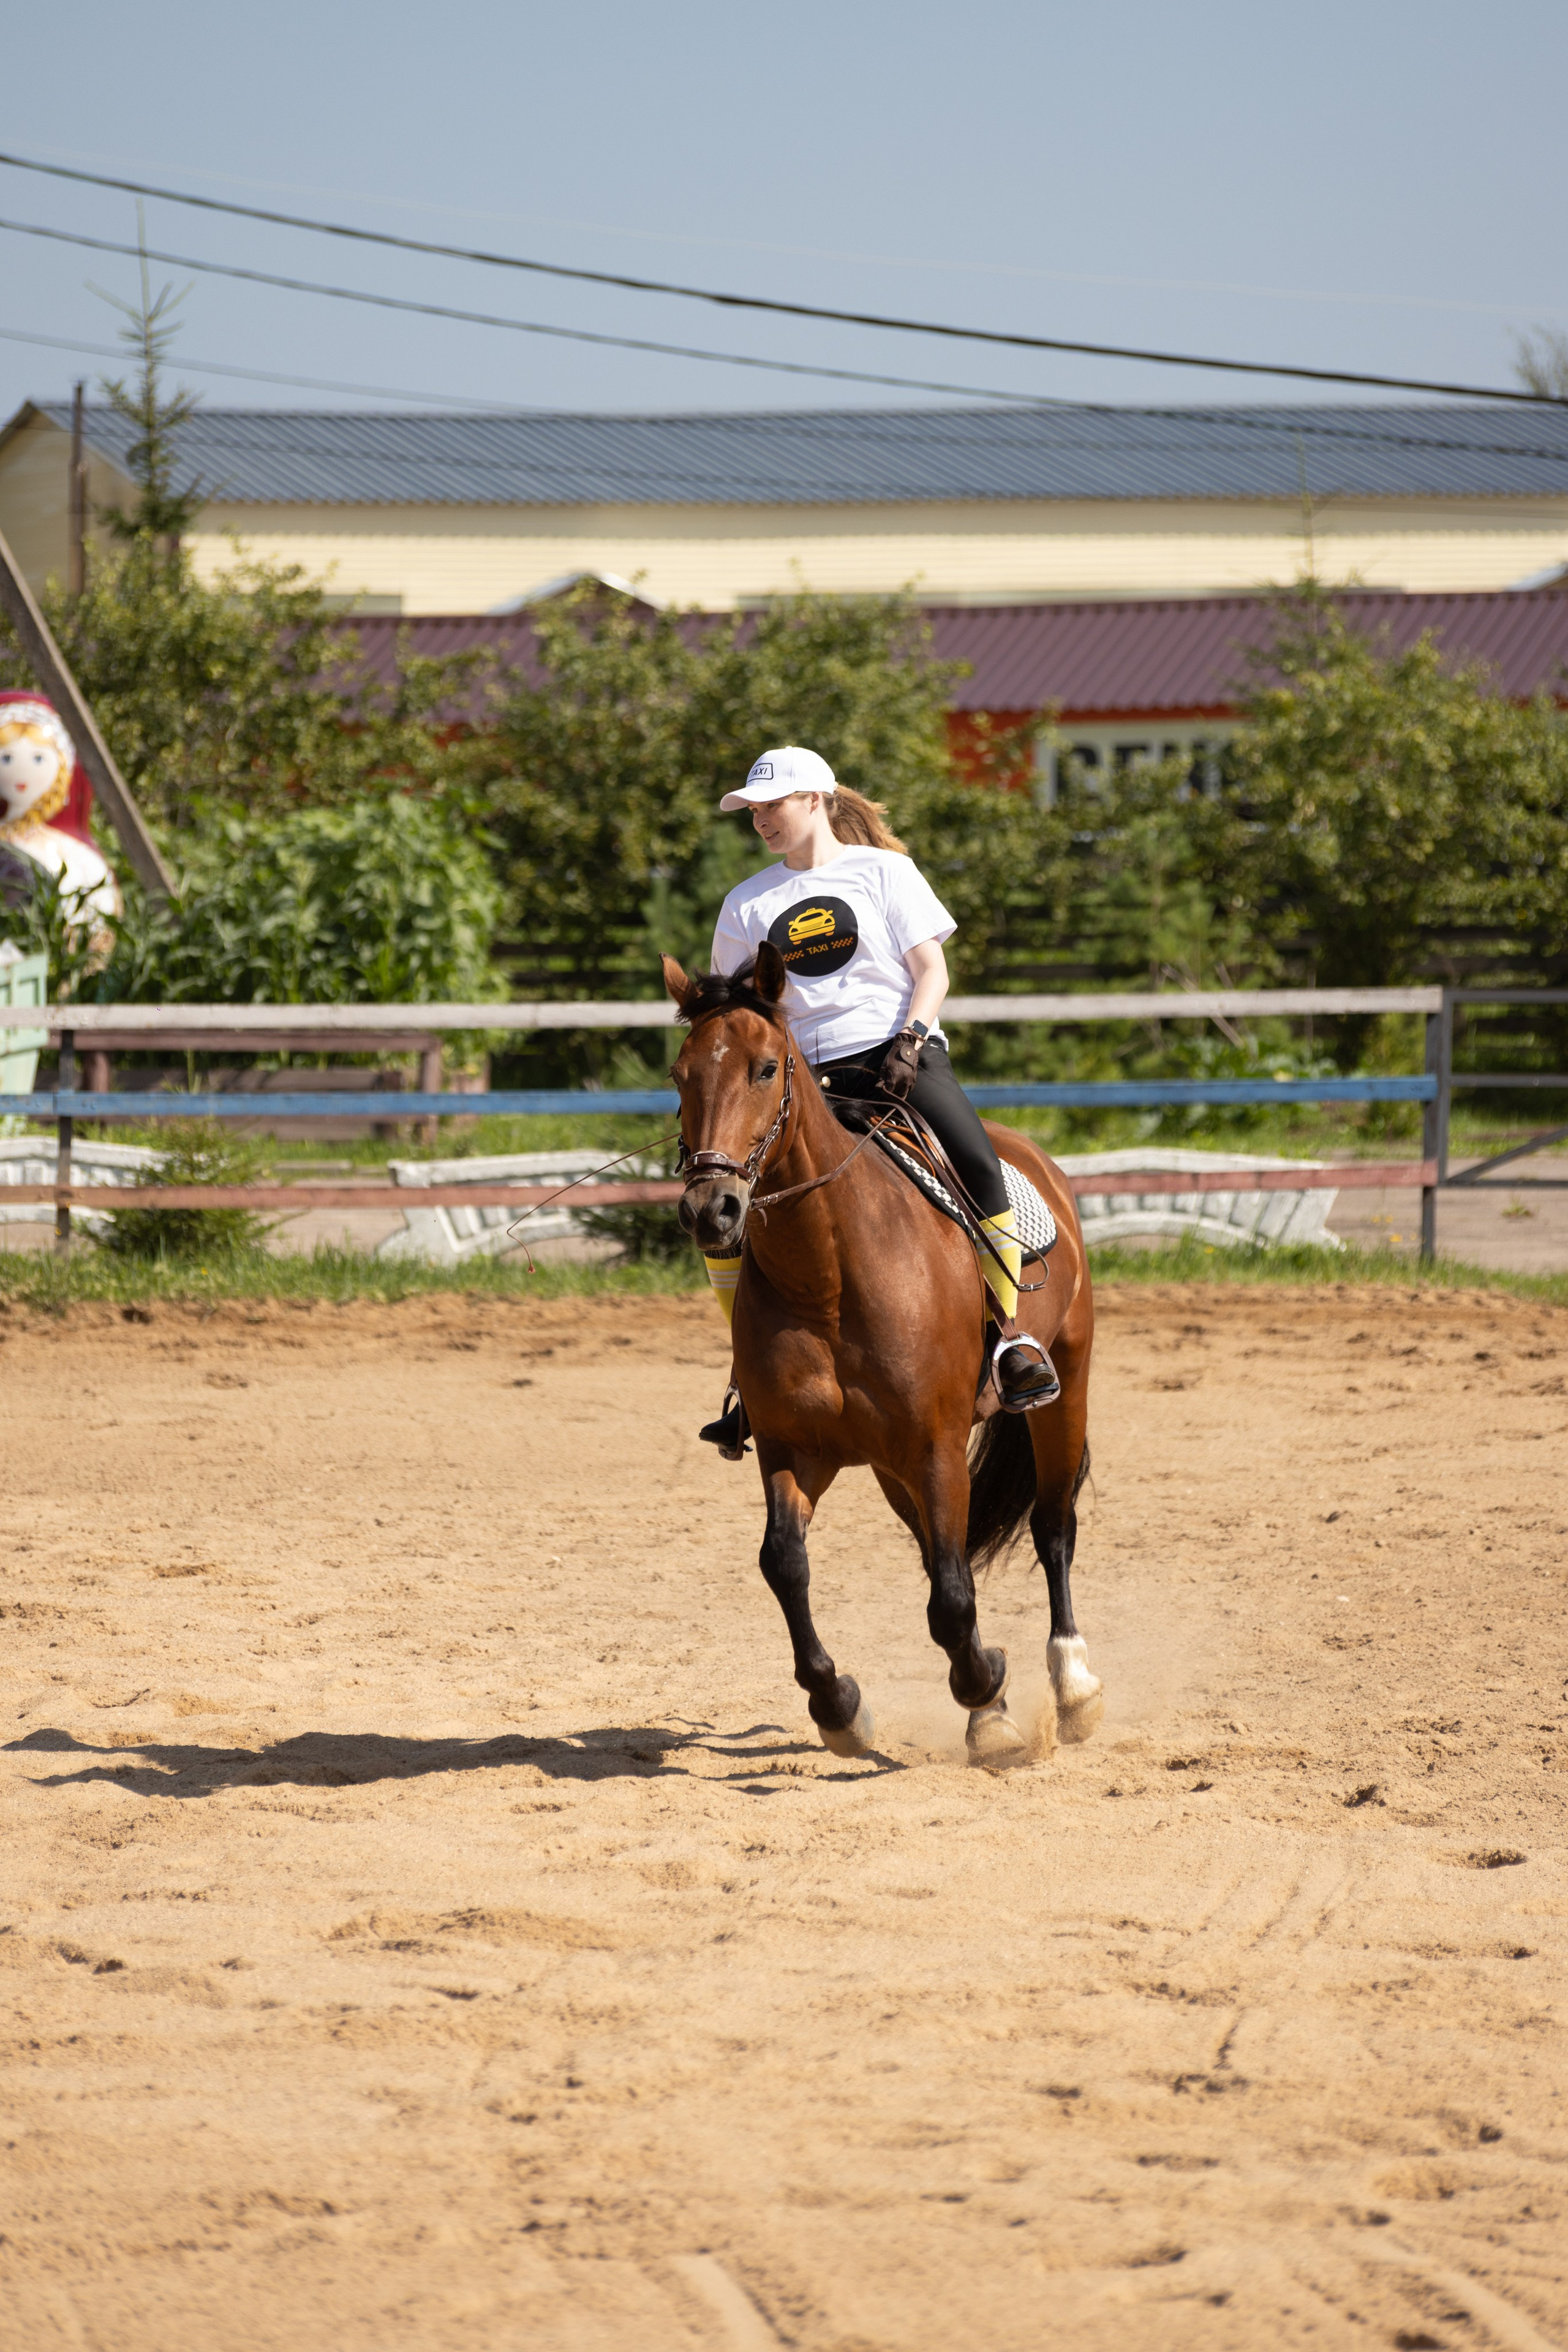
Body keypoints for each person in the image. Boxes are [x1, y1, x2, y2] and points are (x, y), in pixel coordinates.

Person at [695, 744, 1058, 1453]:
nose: (760, 819)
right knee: (725, 1207)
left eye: (771, 805)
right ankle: (749, 1372)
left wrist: (910, 1040)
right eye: (753, 810)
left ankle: (1008, 1342)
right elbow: (740, 1016)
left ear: (814, 800)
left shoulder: (885, 873)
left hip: (897, 1057)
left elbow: (932, 969)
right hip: (800, 1081)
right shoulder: (746, 902)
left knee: (980, 1169)